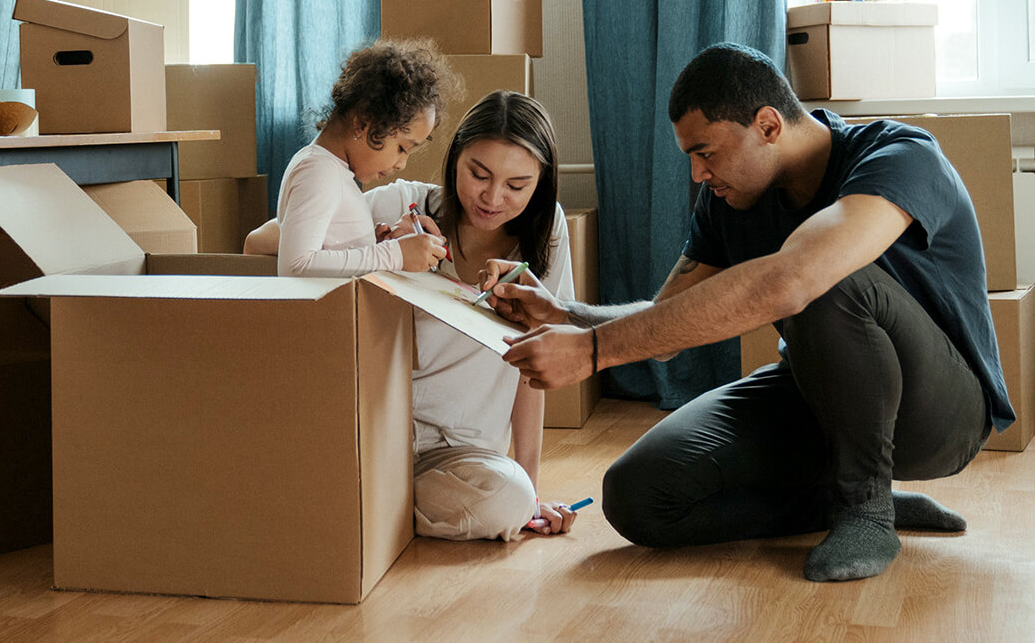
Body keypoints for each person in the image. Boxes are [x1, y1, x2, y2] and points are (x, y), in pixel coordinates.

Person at [489, 42, 1013, 581]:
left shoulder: (900, 155)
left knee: (824, 276)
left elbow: (797, 279)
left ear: (767, 125)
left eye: (706, 153)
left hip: (942, 414)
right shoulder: (727, 201)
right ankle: (838, 499)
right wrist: (566, 316)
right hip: (818, 396)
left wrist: (593, 353)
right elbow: (667, 322)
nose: (697, 174)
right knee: (638, 496)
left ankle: (867, 509)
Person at [249, 90, 581, 540]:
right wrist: (381, 248)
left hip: (461, 456)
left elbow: (533, 365)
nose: (492, 197)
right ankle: (368, 503)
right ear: (454, 159)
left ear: (540, 184)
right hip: (376, 433)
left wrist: (532, 490)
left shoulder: (548, 235)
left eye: (517, 186)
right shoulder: (401, 203)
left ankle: (364, 507)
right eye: (478, 174)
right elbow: (261, 242)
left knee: (510, 500)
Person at [275, 37, 452, 276]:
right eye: (402, 148)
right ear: (363, 123)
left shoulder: (333, 171)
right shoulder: (319, 172)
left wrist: (373, 247)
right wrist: (394, 254)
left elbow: (331, 255)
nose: (402, 164)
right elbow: (296, 266)